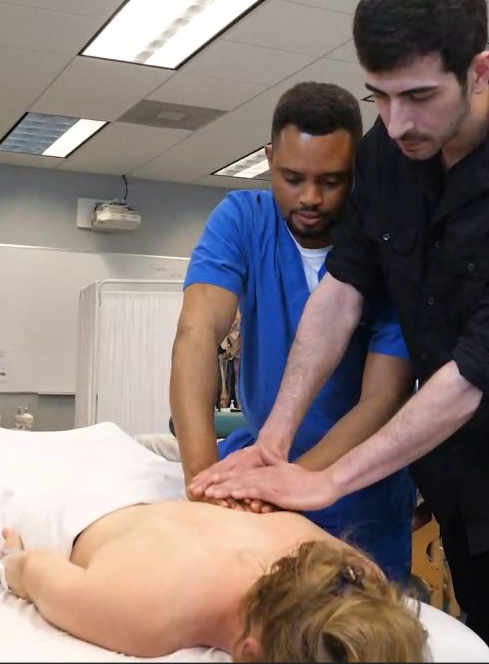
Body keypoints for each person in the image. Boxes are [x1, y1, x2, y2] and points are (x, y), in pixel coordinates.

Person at [190, 0, 489, 661]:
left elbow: (477, 370)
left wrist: (327, 479)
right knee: (482, 640)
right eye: (380, 96)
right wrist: (274, 439)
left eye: (420, 97)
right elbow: (341, 294)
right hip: (458, 471)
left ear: (478, 71)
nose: (397, 123)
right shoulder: (386, 156)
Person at [169, 81, 417, 583]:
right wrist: (204, 484)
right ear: (268, 159)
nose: (310, 198)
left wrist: (295, 483)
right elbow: (197, 334)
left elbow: (384, 397)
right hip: (261, 470)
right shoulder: (243, 220)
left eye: (331, 180)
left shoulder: (388, 244)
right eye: (292, 178)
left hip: (357, 491)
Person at [0, 499, 426, 661]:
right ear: (249, 655)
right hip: (100, 498)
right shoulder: (141, 608)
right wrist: (10, 560)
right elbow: (32, 570)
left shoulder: (355, 574)